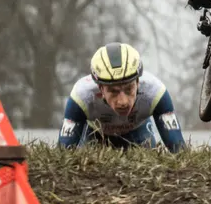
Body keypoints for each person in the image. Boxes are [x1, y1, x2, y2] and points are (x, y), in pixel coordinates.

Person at [58, 43, 186, 153]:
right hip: (96, 134)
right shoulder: (82, 96)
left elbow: (179, 151)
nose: (123, 102)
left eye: (129, 89)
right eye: (113, 91)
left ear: (138, 82)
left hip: (137, 131)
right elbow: (63, 154)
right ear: (100, 88)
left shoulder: (154, 91)